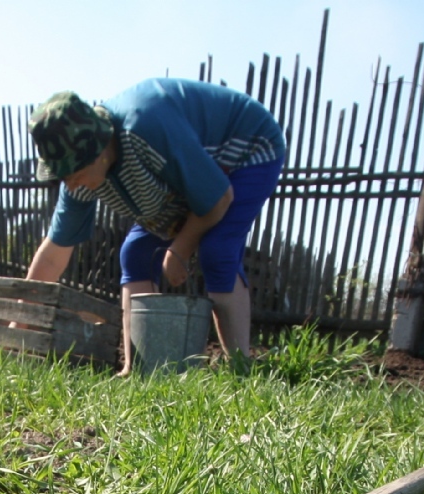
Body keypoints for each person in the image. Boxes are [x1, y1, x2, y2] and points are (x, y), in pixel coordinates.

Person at [24, 81, 285, 370]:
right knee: (134, 253)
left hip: (244, 150)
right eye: (62, 176)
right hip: (184, 177)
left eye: (74, 173)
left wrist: (179, 251)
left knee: (217, 249)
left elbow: (218, 198)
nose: (69, 184)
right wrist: (18, 318)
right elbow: (53, 255)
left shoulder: (144, 128)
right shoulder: (80, 178)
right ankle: (135, 367)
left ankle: (241, 368)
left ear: (99, 151)